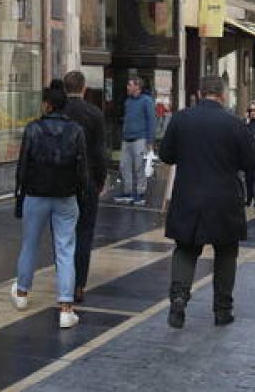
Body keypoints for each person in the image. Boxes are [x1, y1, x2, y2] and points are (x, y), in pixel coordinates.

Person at [161, 75, 255, 328]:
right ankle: (222, 310)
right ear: (223, 95)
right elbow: (250, 163)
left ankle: (179, 299)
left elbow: (166, 155)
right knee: (226, 251)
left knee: (185, 248)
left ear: (199, 92)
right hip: (224, 197)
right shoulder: (234, 123)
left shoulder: (181, 119)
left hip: (188, 195)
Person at [12, 80, 88, 328]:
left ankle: (22, 293)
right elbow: (82, 168)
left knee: (30, 244)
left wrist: (19, 193)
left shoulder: (33, 129)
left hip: (36, 194)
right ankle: (66, 307)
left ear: (46, 104)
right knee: (65, 249)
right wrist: (82, 192)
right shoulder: (76, 130)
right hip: (66, 196)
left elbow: (23, 165)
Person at [63, 70, 108, 304]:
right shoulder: (94, 113)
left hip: (60, 182)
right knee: (85, 232)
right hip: (88, 181)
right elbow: (99, 152)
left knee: (63, 234)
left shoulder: (58, 112)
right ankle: (79, 284)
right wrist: (101, 179)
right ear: (83, 89)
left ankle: (64, 283)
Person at [116, 77, 156, 205]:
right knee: (124, 166)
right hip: (126, 139)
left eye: (130, 85)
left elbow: (151, 121)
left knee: (139, 167)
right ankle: (127, 192)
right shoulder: (127, 102)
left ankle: (140, 194)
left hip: (140, 139)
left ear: (137, 87)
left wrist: (150, 141)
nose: (127, 87)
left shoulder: (146, 101)